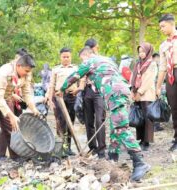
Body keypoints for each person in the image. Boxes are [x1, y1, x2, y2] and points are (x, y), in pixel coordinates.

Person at [58, 47, 150, 181]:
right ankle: (112, 159)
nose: (82, 61)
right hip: (122, 92)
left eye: (82, 58)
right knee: (115, 128)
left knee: (121, 129)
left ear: (87, 55)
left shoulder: (89, 61)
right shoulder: (107, 61)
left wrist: (61, 89)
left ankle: (140, 162)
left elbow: (75, 75)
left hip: (114, 94)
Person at [0, 48, 29, 161]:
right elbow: (4, 87)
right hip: (8, 99)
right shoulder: (8, 70)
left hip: (18, 102)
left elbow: (26, 88)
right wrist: (13, 95)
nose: (17, 61)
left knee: (15, 127)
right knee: (7, 126)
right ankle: (1, 154)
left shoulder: (26, 72)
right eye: (16, 59)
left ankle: (15, 153)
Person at [78, 38, 106, 159]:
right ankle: (92, 147)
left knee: (99, 120)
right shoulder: (85, 61)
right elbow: (81, 76)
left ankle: (102, 149)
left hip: (99, 91)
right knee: (88, 121)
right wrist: (79, 89)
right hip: (87, 91)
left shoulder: (102, 60)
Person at [48, 47, 78, 157]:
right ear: (60, 57)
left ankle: (68, 148)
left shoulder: (76, 68)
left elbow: (80, 83)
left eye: (68, 57)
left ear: (71, 57)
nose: (66, 59)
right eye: (64, 57)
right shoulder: (55, 69)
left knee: (71, 122)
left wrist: (77, 90)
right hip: (59, 97)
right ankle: (59, 148)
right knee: (60, 122)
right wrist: (50, 99)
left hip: (72, 97)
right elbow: (52, 85)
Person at [131, 42, 157, 151]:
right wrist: (132, 91)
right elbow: (133, 77)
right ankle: (141, 139)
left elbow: (148, 80)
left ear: (148, 51)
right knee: (139, 118)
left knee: (147, 118)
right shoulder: (138, 64)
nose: (141, 54)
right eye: (139, 52)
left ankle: (146, 141)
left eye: (143, 51)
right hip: (137, 94)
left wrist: (140, 92)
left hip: (146, 94)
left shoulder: (152, 64)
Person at [156, 14, 177, 151]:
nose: (161, 29)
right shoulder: (163, 45)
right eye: (160, 27)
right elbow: (162, 67)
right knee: (174, 107)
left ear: (171, 24)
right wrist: (158, 87)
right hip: (171, 76)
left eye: (163, 26)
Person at [152, 53, 164, 132]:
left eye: (158, 58)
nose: (158, 59)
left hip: (156, 88)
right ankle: (156, 126)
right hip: (154, 88)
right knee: (156, 106)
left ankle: (156, 125)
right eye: (156, 58)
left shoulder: (157, 65)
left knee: (156, 106)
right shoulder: (154, 66)